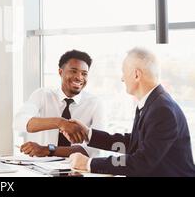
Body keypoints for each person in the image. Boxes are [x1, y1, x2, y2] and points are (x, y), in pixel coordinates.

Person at [68, 47, 195, 176]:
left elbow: (141, 163)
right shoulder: (153, 103)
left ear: (136, 75)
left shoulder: (162, 110)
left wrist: (88, 163)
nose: (122, 78)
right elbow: (133, 143)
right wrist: (88, 134)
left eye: (124, 72)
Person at [13, 50, 105, 158]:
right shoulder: (42, 95)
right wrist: (60, 122)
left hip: (77, 168)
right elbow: (19, 121)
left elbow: (94, 149)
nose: (79, 77)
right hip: (41, 168)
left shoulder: (95, 103)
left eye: (84, 74)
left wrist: (47, 150)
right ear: (61, 72)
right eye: (73, 71)